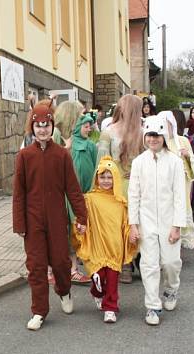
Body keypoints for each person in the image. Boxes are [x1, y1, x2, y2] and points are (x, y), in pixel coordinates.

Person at [13, 100, 88, 331]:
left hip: (57, 219)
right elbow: (19, 193)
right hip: (33, 220)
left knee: (61, 263)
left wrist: (81, 217)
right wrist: (20, 223)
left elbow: (73, 189)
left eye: (47, 125)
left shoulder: (62, 155)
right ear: (32, 128)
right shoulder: (24, 156)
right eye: (38, 125)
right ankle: (39, 311)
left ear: (52, 126)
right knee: (35, 266)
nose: (43, 129)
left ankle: (64, 291)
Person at [128, 114, 186, 326]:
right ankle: (152, 306)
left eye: (157, 135)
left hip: (169, 220)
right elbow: (133, 195)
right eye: (150, 135)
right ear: (145, 137)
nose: (153, 139)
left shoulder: (175, 163)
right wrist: (133, 224)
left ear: (164, 137)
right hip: (146, 221)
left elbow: (180, 196)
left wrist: (177, 225)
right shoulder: (138, 163)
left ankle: (171, 289)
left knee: (171, 262)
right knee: (149, 264)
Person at [75, 156, 138, 323]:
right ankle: (96, 292)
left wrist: (131, 233)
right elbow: (83, 218)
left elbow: (126, 223)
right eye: (102, 177)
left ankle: (110, 307)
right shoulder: (90, 199)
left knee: (112, 279)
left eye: (110, 177)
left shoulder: (120, 202)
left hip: (114, 247)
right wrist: (80, 226)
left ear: (115, 178)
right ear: (97, 178)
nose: (106, 181)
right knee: (98, 275)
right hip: (97, 246)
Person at [97, 94, 144, 283]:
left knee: (127, 225)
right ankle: (124, 263)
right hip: (122, 185)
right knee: (123, 225)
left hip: (128, 185)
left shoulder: (140, 132)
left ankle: (127, 263)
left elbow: (101, 162)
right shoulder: (111, 131)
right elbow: (102, 162)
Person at [52, 100, 92, 285]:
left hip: (72, 191)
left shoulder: (77, 136)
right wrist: (66, 148)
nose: (83, 117)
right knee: (61, 230)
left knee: (72, 231)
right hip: (58, 192)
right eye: (80, 114)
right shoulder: (57, 133)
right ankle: (56, 270)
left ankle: (73, 269)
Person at [169, 110, 194, 249]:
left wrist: (188, 156)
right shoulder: (158, 139)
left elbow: (193, 165)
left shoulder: (182, 141)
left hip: (181, 186)